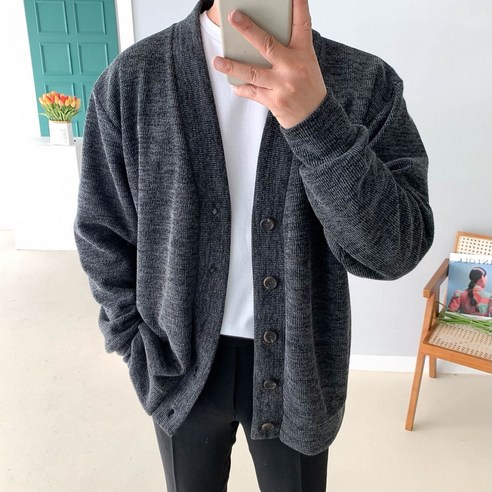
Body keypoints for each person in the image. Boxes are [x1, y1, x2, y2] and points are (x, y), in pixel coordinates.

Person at [73, 0, 434, 490]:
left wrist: (316, 120)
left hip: (301, 368)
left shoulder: (364, 82)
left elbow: (397, 248)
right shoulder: (134, 78)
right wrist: (134, 344)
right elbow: (101, 229)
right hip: (174, 365)